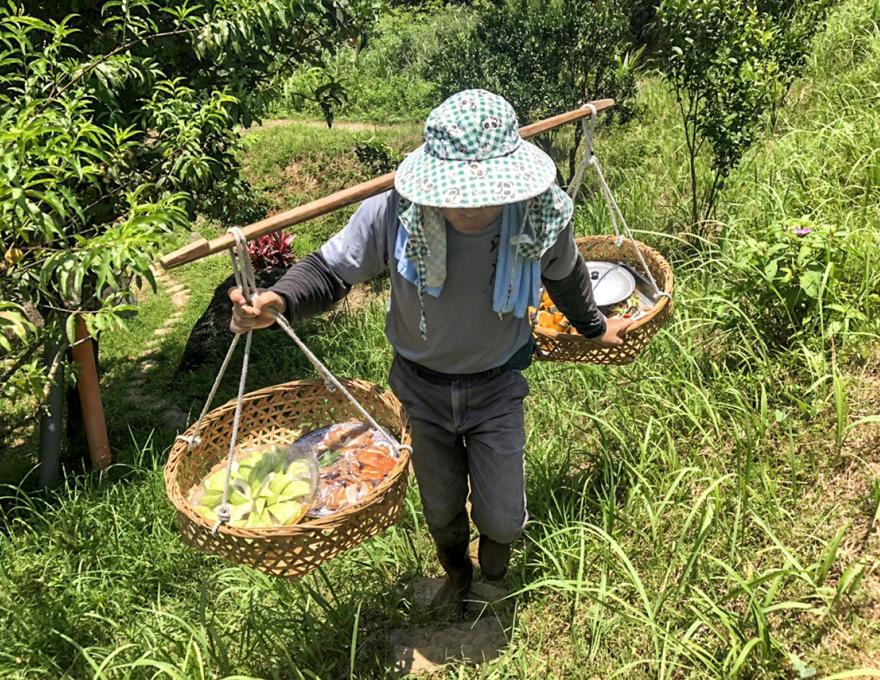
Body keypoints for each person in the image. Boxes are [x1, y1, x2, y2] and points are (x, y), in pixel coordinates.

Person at [228, 90, 633, 613]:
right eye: (458, 192)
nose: (470, 205)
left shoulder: (537, 216)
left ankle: (493, 576)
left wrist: (594, 326)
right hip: (419, 391)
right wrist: (279, 299)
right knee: (440, 510)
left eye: (484, 192)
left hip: (497, 385)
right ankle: (457, 574)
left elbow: (568, 276)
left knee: (504, 512)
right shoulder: (396, 212)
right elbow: (329, 271)